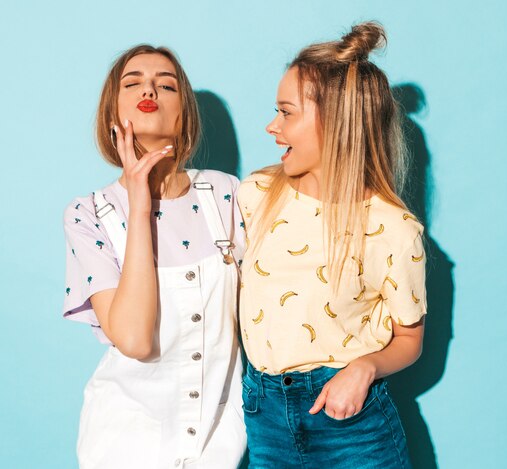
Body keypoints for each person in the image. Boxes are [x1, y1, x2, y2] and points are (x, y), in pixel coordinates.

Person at [237, 22, 427, 468]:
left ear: (338, 124)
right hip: (265, 416)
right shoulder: (257, 194)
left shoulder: (393, 228)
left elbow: (409, 339)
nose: (271, 126)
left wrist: (365, 368)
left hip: (354, 429)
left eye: (287, 113)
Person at [63, 45, 246, 469]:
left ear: (184, 117)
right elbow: (134, 339)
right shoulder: (87, 214)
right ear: (114, 111)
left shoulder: (226, 194)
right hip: (123, 445)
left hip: (220, 442)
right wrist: (140, 202)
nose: (150, 88)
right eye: (133, 83)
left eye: (167, 84)